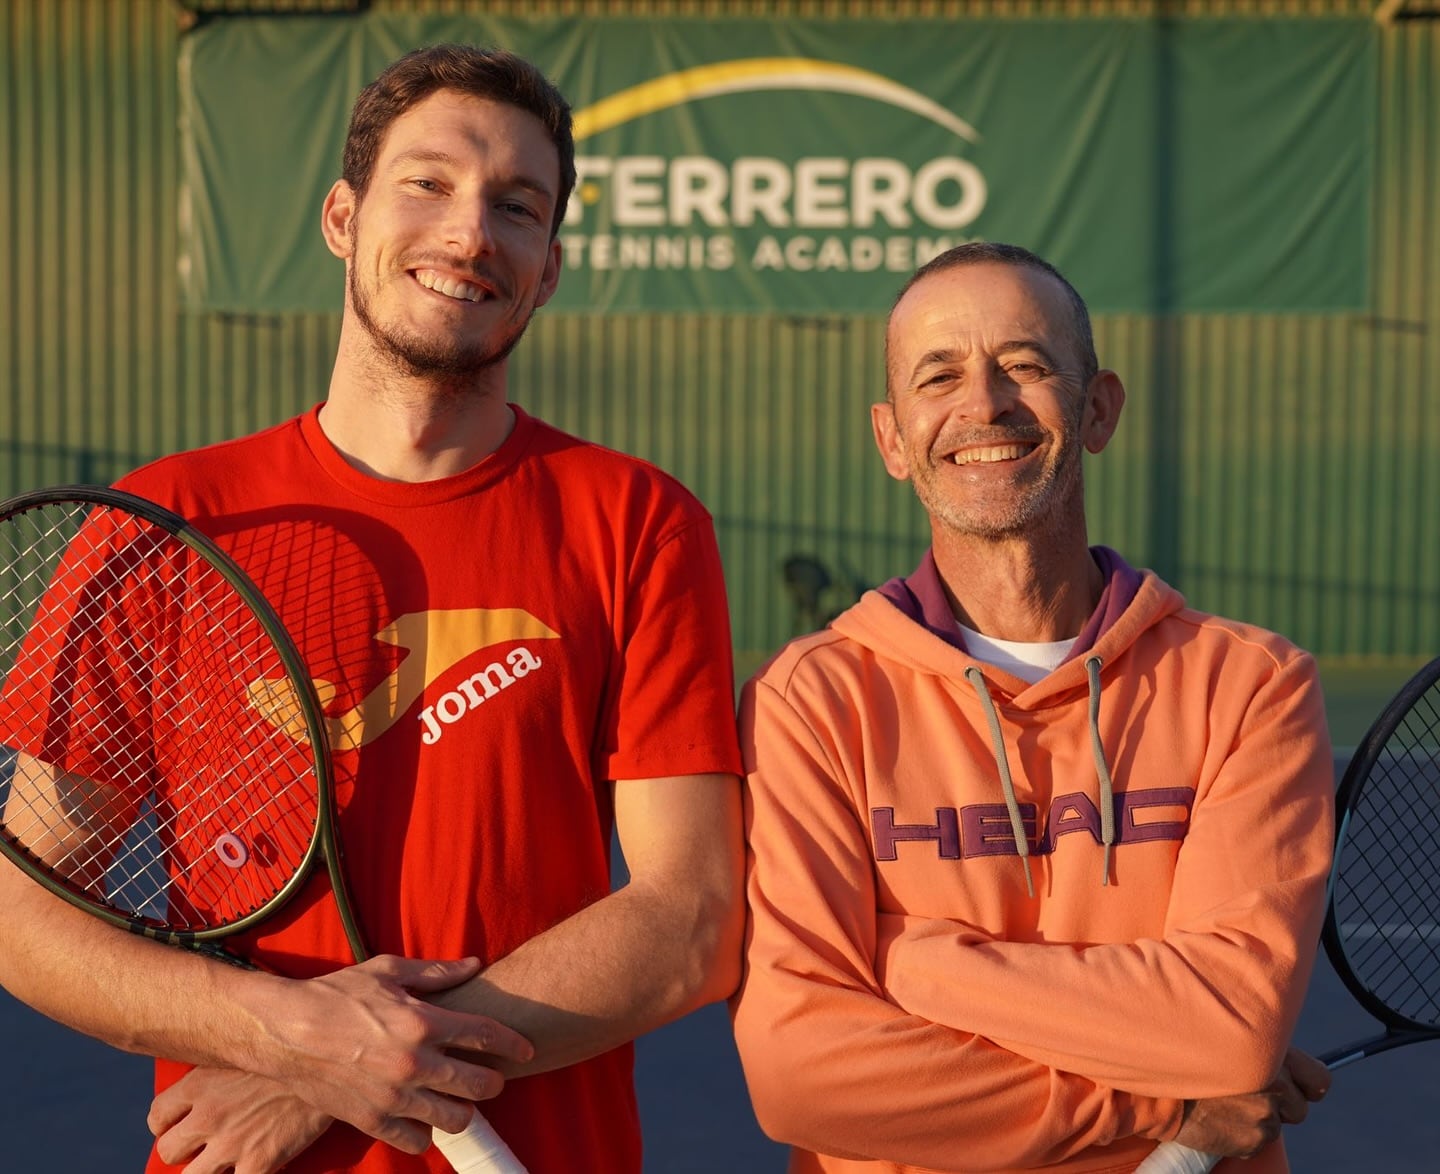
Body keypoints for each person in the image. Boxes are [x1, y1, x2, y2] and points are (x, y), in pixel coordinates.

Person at [0, 44, 744, 1174]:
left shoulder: (639, 521)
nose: (470, 233)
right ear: (343, 218)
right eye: (429, 183)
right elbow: (23, 911)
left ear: (547, 268)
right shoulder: (165, 522)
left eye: (519, 207)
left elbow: (690, 919)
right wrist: (295, 1039)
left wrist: (354, 1065)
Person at [729, 242, 1335, 1173]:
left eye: (1024, 364)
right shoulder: (807, 702)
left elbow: (1232, 1029)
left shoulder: (1251, 686)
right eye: (941, 375)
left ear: (1098, 410)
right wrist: (1162, 1105)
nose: (983, 404)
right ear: (892, 439)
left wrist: (912, 961)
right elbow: (799, 1074)